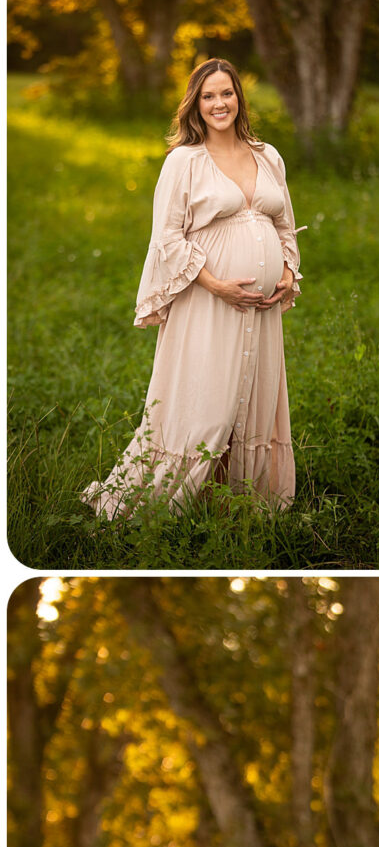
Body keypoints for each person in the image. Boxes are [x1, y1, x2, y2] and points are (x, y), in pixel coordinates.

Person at [84, 58, 300, 517]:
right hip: (207, 302)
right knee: (208, 404)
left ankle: (236, 504)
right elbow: (166, 237)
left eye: (226, 93)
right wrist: (216, 284)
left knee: (250, 399)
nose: (219, 103)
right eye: (208, 96)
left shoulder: (268, 155)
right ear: (195, 105)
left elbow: (285, 225)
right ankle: (176, 500)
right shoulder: (184, 161)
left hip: (260, 309)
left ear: (239, 97)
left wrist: (287, 273)